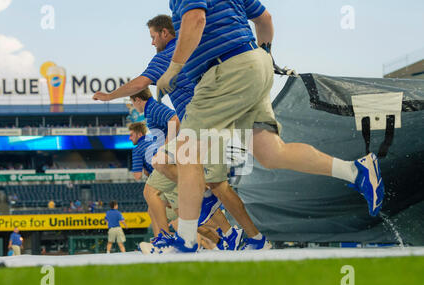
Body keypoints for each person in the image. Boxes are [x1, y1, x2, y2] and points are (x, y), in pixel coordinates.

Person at [152, 0, 385, 253]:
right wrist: (266, 54)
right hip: (254, 64)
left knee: (187, 152)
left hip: (223, 70)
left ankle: (185, 241)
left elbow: (196, 19)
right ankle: (356, 171)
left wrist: (172, 69)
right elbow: (265, 20)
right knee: (272, 152)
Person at [94, 14, 271, 252]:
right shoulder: (190, 50)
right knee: (169, 181)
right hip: (203, 123)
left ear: (165, 33)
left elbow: (140, 84)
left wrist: (108, 96)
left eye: (153, 36)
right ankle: (225, 231)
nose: (152, 42)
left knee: (211, 184)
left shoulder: (168, 57)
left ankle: (241, 234)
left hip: (203, 123)